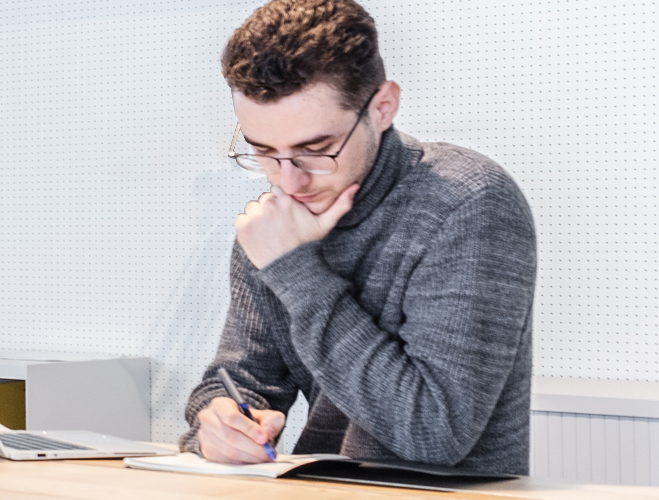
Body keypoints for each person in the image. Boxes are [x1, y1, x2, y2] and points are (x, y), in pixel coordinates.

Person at [179, 0, 536, 475]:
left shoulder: (469, 203)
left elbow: (433, 435)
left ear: (383, 106)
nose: (288, 181)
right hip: (316, 485)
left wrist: (295, 272)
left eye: (316, 149)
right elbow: (239, 382)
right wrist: (218, 424)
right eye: (263, 152)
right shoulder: (278, 220)